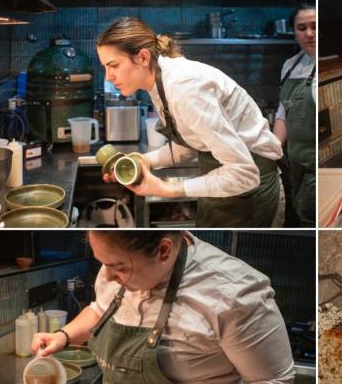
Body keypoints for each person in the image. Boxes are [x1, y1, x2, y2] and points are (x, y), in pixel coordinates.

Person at [32, 231, 295, 384]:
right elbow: (100, 309)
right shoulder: (115, 268)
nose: (107, 275)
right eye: (104, 263)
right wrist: (64, 336)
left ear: (164, 250)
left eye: (118, 267)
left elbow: (271, 380)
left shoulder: (233, 292)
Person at [97, 18, 284, 227]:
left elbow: (245, 174)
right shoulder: (157, 83)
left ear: (142, 57)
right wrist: (145, 161)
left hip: (252, 194)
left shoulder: (184, 87)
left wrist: (167, 189)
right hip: (223, 187)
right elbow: (187, 146)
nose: (108, 77)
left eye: (113, 65)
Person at [273, 4, 316, 227]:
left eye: (315, 27)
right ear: (294, 32)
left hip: (315, 170)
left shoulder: (324, 67)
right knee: (299, 214)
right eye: (302, 28)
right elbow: (283, 112)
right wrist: (271, 149)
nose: (309, 34)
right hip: (294, 167)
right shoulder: (290, 66)